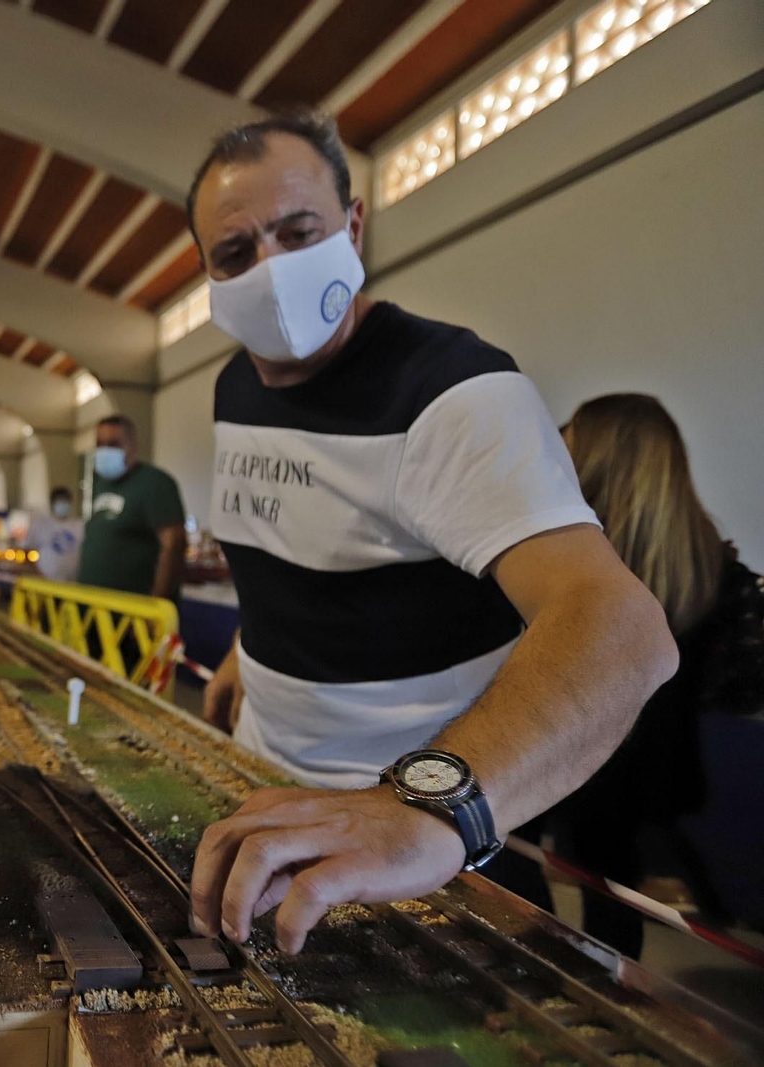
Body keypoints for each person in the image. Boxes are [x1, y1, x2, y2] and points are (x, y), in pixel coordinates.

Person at [183, 111, 676, 953]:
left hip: (402, 840)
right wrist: (249, 657)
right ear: (208, 276)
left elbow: (623, 632)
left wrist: (422, 805)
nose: (270, 271)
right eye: (236, 254)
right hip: (264, 791)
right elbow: (294, 547)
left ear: (354, 225)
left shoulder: (456, 395)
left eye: (299, 232)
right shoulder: (237, 386)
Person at [542, 394, 764, 957]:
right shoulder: (716, 568)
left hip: (576, 770)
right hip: (666, 785)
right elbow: (737, 689)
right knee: (612, 911)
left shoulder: (573, 566)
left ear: (599, 460)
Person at [76, 415, 186, 600]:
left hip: (132, 612)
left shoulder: (154, 483)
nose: (105, 450)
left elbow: (174, 544)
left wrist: (157, 604)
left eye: (114, 443)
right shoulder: (101, 485)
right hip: (93, 607)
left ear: (133, 445)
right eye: (100, 443)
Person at [27, 486, 83, 582]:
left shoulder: (79, 526)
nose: (63, 505)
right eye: (60, 502)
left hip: (72, 584)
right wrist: (38, 575)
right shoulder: (41, 524)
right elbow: (28, 551)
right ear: (52, 504)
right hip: (45, 583)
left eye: (65, 501)